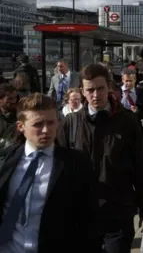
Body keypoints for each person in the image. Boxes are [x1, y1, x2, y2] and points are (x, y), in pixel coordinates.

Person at [56, 64, 143, 253]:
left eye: (100, 88)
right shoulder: (70, 124)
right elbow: (60, 170)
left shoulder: (127, 121)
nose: (95, 95)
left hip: (118, 212)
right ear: (82, 91)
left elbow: (139, 166)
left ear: (109, 87)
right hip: (82, 215)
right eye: (90, 90)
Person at [0, 93, 96, 253]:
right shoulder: (6, 162)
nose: (46, 130)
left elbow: (89, 219)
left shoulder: (75, 164)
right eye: (38, 124)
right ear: (20, 126)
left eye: (51, 123)